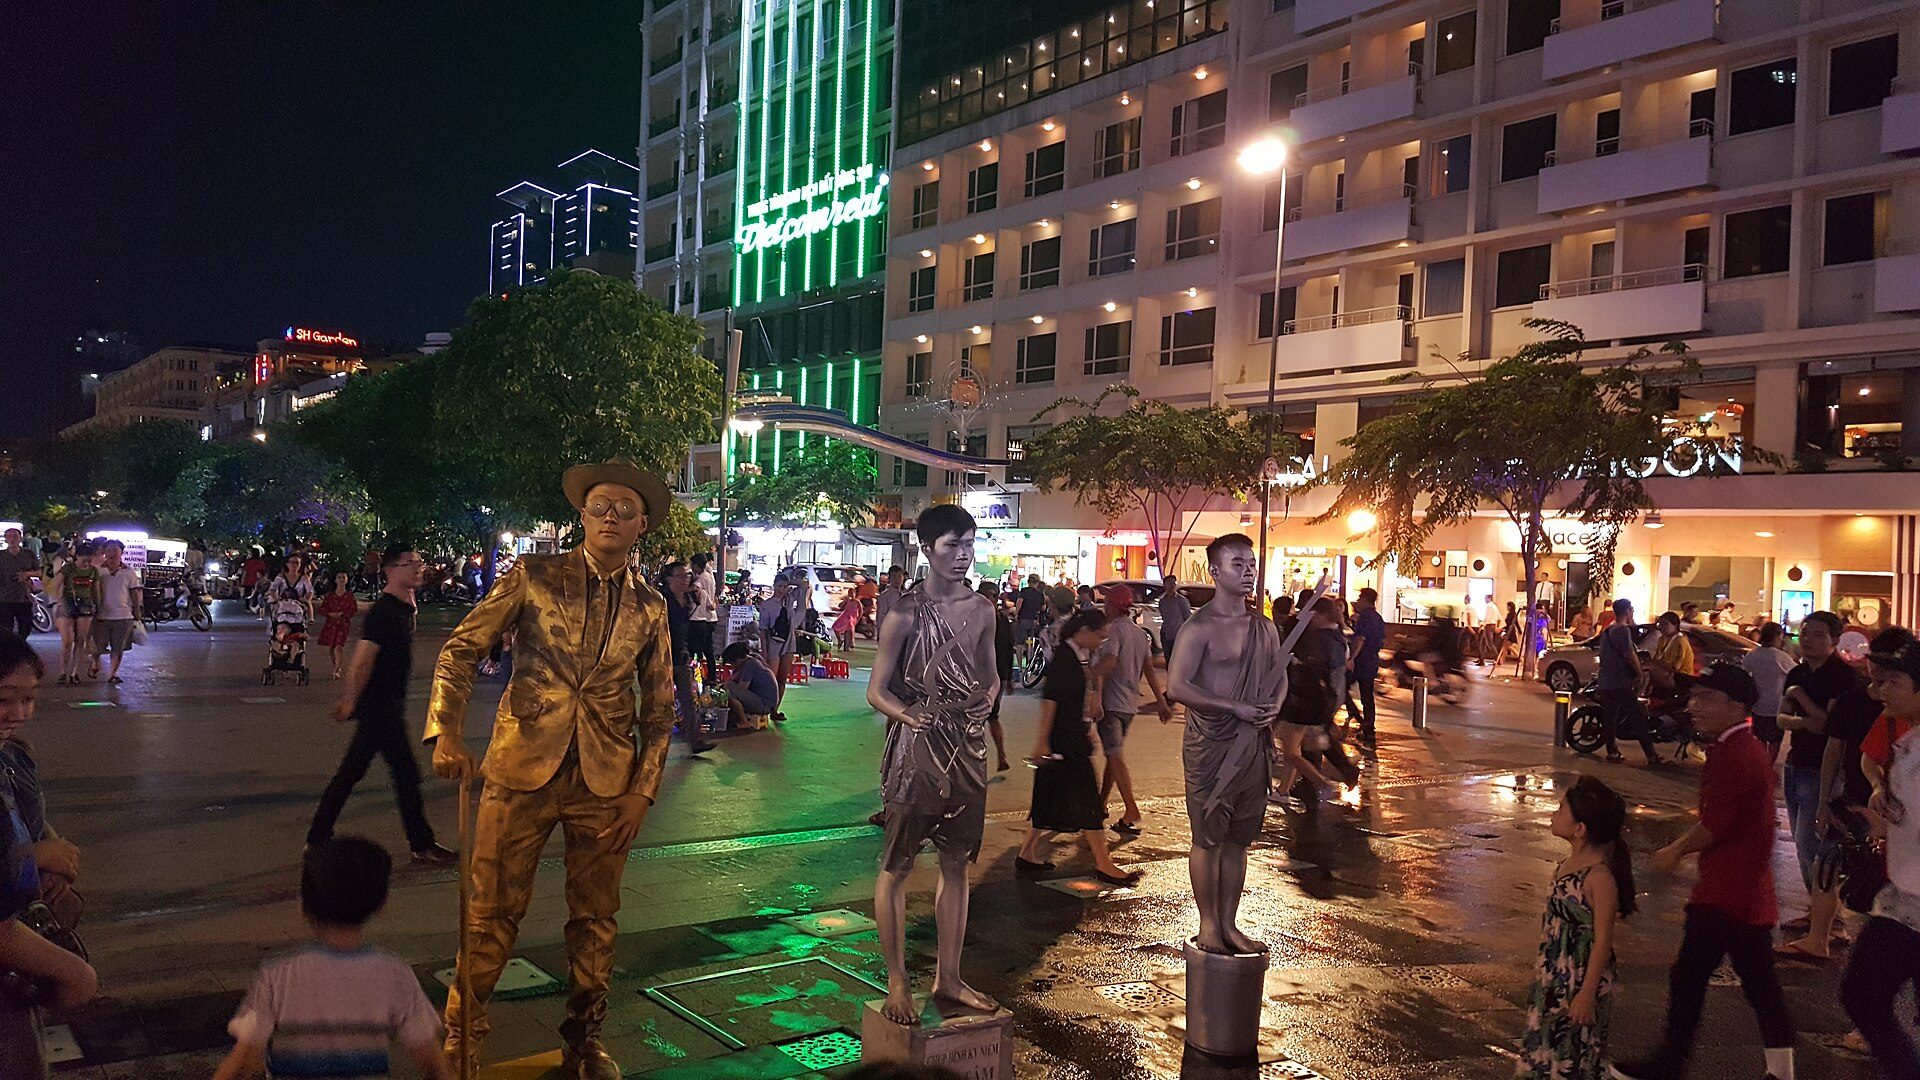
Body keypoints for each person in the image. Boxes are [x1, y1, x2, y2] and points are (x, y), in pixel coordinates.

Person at [426, 458, 679, 1077]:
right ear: (581, 515)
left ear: (643, 523)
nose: (611, 517)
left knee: (596, 921)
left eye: (625, 509)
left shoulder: (651, 608)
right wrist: (447, 731)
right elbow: (461, 648)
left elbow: (661, 707)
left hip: (607, 783)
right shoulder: (533, 577)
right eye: (600, 506)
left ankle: (584, 1042)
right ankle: (461, 1043)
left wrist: (641, 793)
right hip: (518, 771)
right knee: (488, 915)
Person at [1609, 662, 1796, 1080]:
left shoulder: (1736, 755)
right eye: (1694, 697)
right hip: (1742, 892)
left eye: (1706, 698)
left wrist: (1674, 849)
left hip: (1728, 893)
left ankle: (1670, 1064)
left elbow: (1717, 825)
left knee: (1693, 978)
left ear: (1736, 705)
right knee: (1755, 984)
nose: (1694, 706)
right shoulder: (1739, 749)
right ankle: (1779, 1071)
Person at [867, 504, 1000, 1025]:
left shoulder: (984, 609)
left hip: (967, 749)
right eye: (952, 545)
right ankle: (898, 982)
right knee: (897, 866)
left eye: (969, 544)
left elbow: (991, 675)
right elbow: (877, 691)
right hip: (916, 754)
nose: (963, 555)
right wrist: (910, 715)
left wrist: (987, 699)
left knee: (956, 867)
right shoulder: (903, 611)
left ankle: (950, 975)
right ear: (926, 549)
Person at [213, 836, 451, 1080]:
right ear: (381, 903)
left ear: (304, 904)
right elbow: (431, 1063)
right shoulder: (393, 974)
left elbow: (244, 1061)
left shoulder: (278, 975)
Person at [1165, 535, 1290, 956]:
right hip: (1211, 745)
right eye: (1238, 563)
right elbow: (1177, 686)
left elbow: (1279, 673)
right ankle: (1207, 925)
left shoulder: (1264, 626)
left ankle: (1230, 923)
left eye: (1251, 563)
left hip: (1253, 745)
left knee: (1239, 840)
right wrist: (1231, 706)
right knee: (1207, 838)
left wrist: (1273, 707)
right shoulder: (1198, 627)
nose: (1248, 570)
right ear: (1215, 572)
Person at [305, 544, 454, 865]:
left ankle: (319, 836)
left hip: (389, 705)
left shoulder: (403, 606)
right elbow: (361, 662)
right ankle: (421, 844)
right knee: (397, 774)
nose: (418, 568)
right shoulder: (383, 612)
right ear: (390, 570)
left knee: (365, 773)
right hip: (379, 707)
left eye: (419, 562)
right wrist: (349, 699)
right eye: (409, 563)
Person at [0, 633, 99, 1080]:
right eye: (4, 698)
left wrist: (52, 848)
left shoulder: (12, 756)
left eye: (28, 699)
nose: (18, 714)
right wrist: (39, 855)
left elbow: (28, 817)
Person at [1841, 627, 1920, 1079]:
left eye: (1892, 682)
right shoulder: (1907, 742)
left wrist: (1886, 823)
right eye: (1877, 680)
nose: (1879, 691)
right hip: (1903, 896)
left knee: (1862, 995)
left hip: (1911, 904)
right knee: (1862, 996)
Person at [1518, 775, 1636, 1080]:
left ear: (1580, 829)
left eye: (1560, 810)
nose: (1553, 815)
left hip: (1578, 978)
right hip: (1553, 974)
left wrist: (1586, 994)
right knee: (1543, 1048)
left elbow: (1602, 941)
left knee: (1572, 1054)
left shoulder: (1598, 878)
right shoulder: (1566, 865)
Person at [1017, 609, 1143, 886]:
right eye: (1099, 636)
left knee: (1048, 797)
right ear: (1083, 631)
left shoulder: (1078, 656)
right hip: (1065, 739)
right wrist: (1043, 740)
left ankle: (1027, 853)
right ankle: (1104, 863)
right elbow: (1051, 701)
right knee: (1087, 800)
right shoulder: (1065, 659)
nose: (1101, 642)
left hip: (1071, 736)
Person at [1776, 610, 1858, 954]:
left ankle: (1832, 923)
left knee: (1815, 846)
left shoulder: (1843, 677)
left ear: (1835, 641)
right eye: (1804, 633)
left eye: (1818, 635)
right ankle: (1818, 913)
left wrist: (1801, 700)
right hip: (1796, 764)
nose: (1807, 639)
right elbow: (1781, 717)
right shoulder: (1795, 672)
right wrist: (1801, 720)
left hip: (1825, 770)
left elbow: (1827, 725)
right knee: (1800, 842)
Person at [1090, 585, 1174, 835]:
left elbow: (1110, 661)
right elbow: (1148, 668)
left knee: (1115, 756)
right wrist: (1160, 701)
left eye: (1107, 601)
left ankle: (1131, 809)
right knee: (1113, 757)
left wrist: (1089, 675)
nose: (1104, 605)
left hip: (1112, 704)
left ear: (1115, 605)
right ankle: (1101, 804)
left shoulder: (1113, 631)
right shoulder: (1139, 634)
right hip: (1128, 705)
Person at [660, 561, 715, 756]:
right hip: (662, 657)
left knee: (688, 699)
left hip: (681, 654)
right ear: (669, 579)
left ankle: (695, 739)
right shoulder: (661, 599)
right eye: (681, 576)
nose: (686, 579)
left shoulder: (690, 597)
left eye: (688, 575)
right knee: (661, 702)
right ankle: (656, 743)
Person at [1594, 599, 1650, 764]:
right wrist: (1639, 673)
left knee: (1611, 717)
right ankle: (1652, 755)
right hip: (1620, 681)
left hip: (1606, 680)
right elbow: (1630, 654)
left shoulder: (1607, 630)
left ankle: (1612, 752)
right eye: (1631, 609)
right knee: (1637, 718)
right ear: (1627, 611)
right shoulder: (1622, 630)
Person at [1740, 622, 1794, 762]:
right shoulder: (1780, 657)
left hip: (1757, 705)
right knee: (1775, 741)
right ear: (1777, 637)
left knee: (1760, 739)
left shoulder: (1751, 656)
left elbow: (1744, 676)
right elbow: (1795, 673)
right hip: (1776, 706)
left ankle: (1761, 764)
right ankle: (1768, 765)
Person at [89, 539, 140, 685]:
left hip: (123, 616)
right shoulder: (97, 571)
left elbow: (135, 592)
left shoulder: (129, 572)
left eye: (115, 550)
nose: (112, 554)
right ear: (104, 553)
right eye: (109, 550)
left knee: (118, 647)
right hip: (101, 615)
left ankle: (112, 673)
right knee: (97, 646)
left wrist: (137, 610)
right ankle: (95, 663)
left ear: (122, 553)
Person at [758, 573, 804, 724]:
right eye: (779, 586)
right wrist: (764, 650)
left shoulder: (789, 600)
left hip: (789, 642)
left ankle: (775, 710)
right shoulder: (766, 605)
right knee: (771, 679)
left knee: (782, 678)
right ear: (773, 586)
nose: (782, 590)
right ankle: (766, 708)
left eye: (785, 587)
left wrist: (791, 582)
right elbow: (763, 630)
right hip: (773, 643)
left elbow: (804, 584)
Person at [976, 581, 1013, 772]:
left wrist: (1008, 678)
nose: (995, 599)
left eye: (996, 595)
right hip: (980, 675)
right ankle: (999, 756)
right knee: (988, 717)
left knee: (988, 716)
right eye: (992, 595)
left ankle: (998, 755)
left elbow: (1008, 647)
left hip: (993, 676)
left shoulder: (999, 619)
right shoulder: (978, 617)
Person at [51, 544, 97, 685]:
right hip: (68, 604)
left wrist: (97, 605)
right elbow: (56, 585)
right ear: (77, 556)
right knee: (67, 640)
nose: (87, 563)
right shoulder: (68, 568)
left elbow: (96, 589)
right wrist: (59, 601)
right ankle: (63, 671)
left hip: (86, 605)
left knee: (80, 639)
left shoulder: (93, 571)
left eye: (89, 560)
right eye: (85, 559)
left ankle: (74, 672)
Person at [1349, 588, 1387, 749]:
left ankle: (1361, 720)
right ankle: (1368, 727)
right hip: (1371, 661)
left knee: (1341, 689)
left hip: (1361, 661)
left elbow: (1361, 639)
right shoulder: (1378, 618)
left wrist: (1351, 658)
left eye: (1360, 597)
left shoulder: (1365, 617)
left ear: (1365, 599)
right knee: (1367, 696)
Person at [720, 641, 777, 731]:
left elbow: (741, 688)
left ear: (737, 660)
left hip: (764, 704)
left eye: (731, 663)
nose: (732, 666)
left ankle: (744, 722)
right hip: (767, 702)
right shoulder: (753, 658)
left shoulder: (750, 665)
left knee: (729, 687)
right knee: (729, 686)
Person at [267, 552, 315, 650]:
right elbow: (272, 589)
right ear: (287, 564)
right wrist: (276, 598)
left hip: (298, 605)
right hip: (283, 606)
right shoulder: (281, 577)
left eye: (297, 563)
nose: (294, 565)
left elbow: (310, 591)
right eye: (292, 562)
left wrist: (306, 599)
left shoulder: (304, 578)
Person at [316, 571, 358, 680]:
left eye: (343, 577)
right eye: (339, 577)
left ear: (347, 580)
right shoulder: (330, 595)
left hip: (343, 624)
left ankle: (336, 670)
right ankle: (336, 666)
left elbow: (353, 609)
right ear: (335, 580)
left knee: (339, 646)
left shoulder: (349, 596)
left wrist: (343, 614)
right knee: (331, 647)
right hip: (330, 623)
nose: (341, 579)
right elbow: (322, 608)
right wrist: (330, 614)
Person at [1645, 612, 1694, 697]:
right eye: (1660, 624)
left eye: (1665, 624)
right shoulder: (1663, 638)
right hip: (1666, 673)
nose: (1661, 627)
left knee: (1648, 670)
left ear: (1675, 625)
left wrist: (1655, 663)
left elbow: (1675, 667)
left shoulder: (1680, 641)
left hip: (1680, 678)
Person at [0, 530, 37, 640]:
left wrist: (27, 574)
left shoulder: (28, 554)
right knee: (6, 629)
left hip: (24, 597)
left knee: (26, 627)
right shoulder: (1, 555)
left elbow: (41, 572)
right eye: (9, 537)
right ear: (6, 539)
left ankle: (20, 647)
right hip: (4, 598)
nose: (12, 539)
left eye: (15, 536)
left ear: (20, 538)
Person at [688, 553, 718, 679]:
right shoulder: (710, 577)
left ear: (696, 565)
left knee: (696, 649)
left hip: (702, 618)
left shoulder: (700, 579)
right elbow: (712, 604)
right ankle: (711, 676)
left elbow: (695, 589)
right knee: (708, 650)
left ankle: (696, 677)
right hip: (711, 617)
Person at [1158, 575, 1191, 663]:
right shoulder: (1162, 601)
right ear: (1165, 585)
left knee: (1177, 662)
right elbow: (1164, 616)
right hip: (1166, 635)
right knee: (1168, 660)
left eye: (1174, 583)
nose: (1172, 585)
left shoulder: (1181, 600)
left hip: (1177, 635)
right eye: (1169, 583)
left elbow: (1188, 617)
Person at [1016, 573, 1047, 654]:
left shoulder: (1024, 591)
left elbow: (1019, 603)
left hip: (1023, 618)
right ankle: (1029, 661)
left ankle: (1020, 665)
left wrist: (1016, 613)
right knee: (1030, 642)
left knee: (1020, 643)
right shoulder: (1040, 593)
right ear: (1037, 583)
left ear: (1028, 582)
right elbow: (1043, 607)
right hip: (1034, 619)